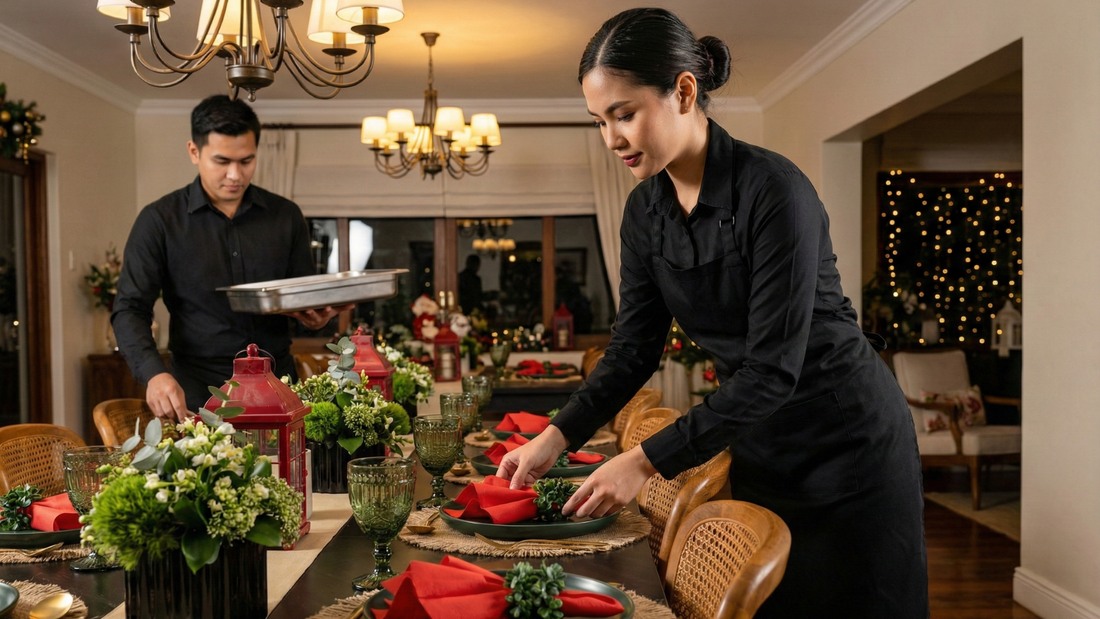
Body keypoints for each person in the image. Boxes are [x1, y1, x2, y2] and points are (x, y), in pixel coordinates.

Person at [496, 8, 928, 618]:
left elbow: (774, 370)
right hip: (758, 438)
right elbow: (633, 348)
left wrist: (643, 462)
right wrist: (555, 435)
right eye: (599, 121)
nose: (612, 138)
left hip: (849, 441)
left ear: (684, 90)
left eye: (625, 114)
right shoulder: (645, 211)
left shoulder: (775, 190)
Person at [113, 95, 350, 421]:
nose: (236, 174)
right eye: (222, 161)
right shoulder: (159, 221)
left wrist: (315, 315)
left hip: (279, 386)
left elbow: (300, 296)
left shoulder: (286, 215)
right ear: (194, 152)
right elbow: (129, 309)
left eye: (246, 160)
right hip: (197, 392)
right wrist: (153, 373)